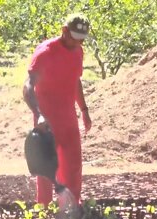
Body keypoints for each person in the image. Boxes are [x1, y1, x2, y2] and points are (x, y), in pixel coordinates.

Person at [23, 13, 92, 205]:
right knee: (47, 166)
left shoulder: (78, 51)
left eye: (81, 40)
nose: (77, 43)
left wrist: (84, 111)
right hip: (47, 118)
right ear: (64, 31)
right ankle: (43, 208)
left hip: (68, 116)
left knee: (73, 165)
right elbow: (28, 85)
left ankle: (71, 206)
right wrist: (39, 115)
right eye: (74, 38)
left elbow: (75, 80)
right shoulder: (45, 52)